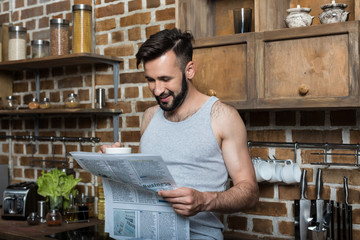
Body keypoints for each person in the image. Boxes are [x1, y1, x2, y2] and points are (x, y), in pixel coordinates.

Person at [101, 28, 259, 239]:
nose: (157, 90)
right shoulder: (149, 116)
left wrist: (204, 200)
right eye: (150, 80)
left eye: (165, 79)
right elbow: (143, 185)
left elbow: (250, 192)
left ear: (189, 70)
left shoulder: (222, 116)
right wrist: (116, 164)